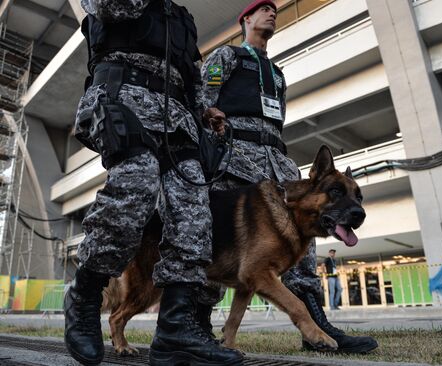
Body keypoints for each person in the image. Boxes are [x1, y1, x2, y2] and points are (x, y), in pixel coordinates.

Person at [64, 1, 243, 365]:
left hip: (177, 120)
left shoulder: (180, 16)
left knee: (194, 216)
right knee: (136, 188)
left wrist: (204, 110)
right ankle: (84, 296)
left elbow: (190, 74)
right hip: (123, 99)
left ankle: (175, 328)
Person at [198, 0, 378, 354]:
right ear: (246, 19)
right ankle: (199, 329)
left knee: (304, 246)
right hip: (235, 157)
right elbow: (205, 98)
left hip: (277, 163)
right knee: (216, 245)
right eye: (262, 9)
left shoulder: (277, 73)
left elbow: (274, 120)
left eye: (274, 10)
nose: (271, 13)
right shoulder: (227, 57)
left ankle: (316, 327)